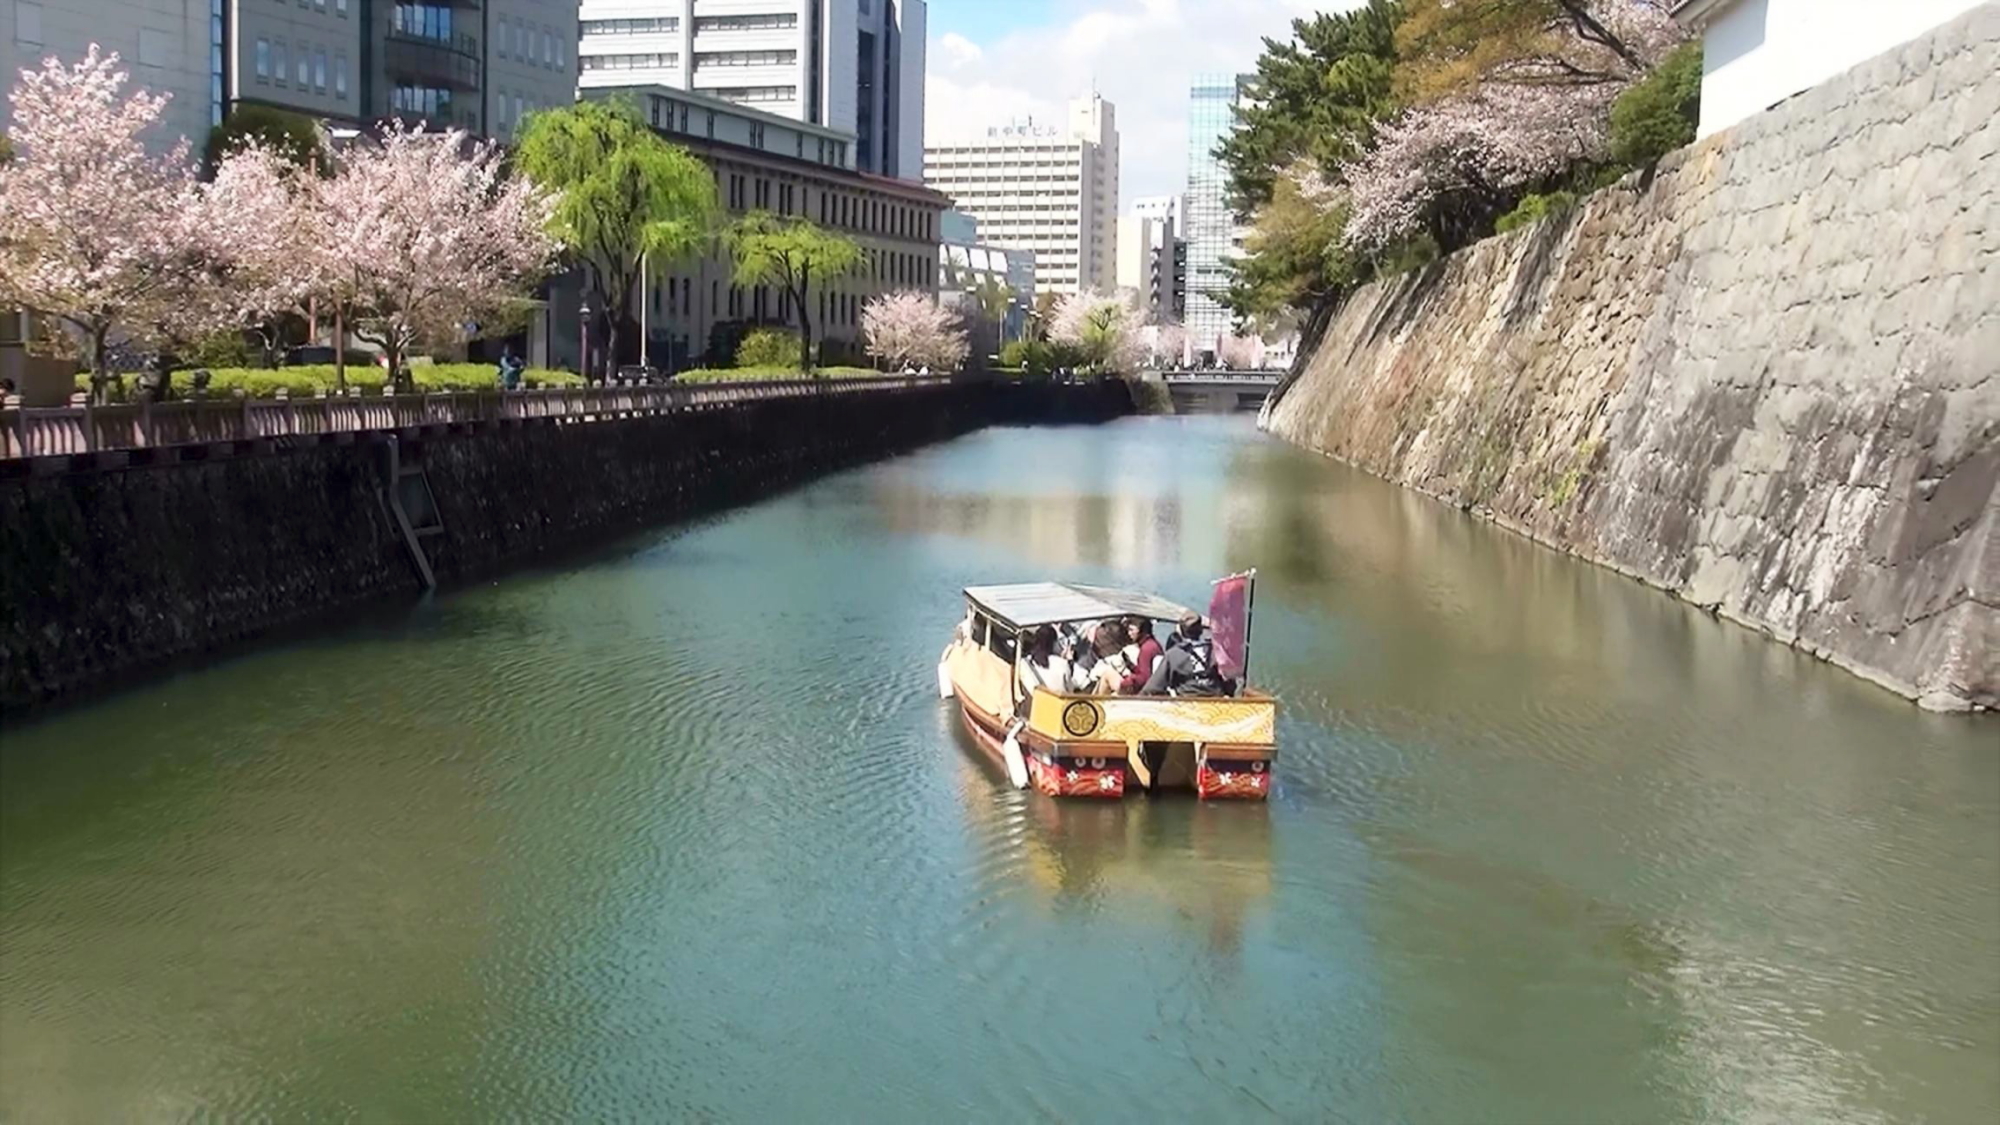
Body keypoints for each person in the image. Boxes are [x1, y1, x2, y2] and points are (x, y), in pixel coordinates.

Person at [1143, 612, 1230, 697]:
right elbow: (1230, 679)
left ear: (1180, 631)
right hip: (1216, 702)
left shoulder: (1174, 654)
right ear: (1201, 630)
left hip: (1187, 700)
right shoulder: (1216, 651)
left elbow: (1154, 687)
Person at [1118, 616, 1164, 695]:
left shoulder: (1146, 649)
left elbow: (1144, 678)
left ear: (1141, 631)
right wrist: (1131, 666)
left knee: (1108, 675)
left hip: (1143, 693)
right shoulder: (1153, 644)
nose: (1129, 633)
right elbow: (1146, 670)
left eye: (1132, 630)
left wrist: (1127, 680)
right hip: (1153, 689)